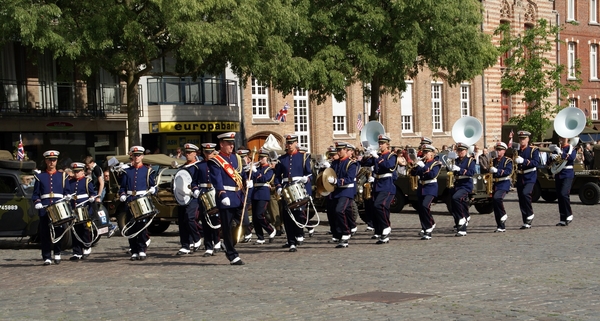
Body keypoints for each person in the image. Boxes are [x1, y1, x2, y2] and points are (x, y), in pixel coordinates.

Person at [208, 132, 247, 265]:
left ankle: (228, 243)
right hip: (226, 197)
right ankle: (232, 254)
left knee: (245, 223)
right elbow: (216, 178)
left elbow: (241, 174)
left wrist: (248, 182)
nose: (231, 146)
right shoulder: (215, 161)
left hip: (238, 196)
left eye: (232, 143)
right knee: (227, 226)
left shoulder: (237, 157)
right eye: (229, 143)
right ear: (222, 144)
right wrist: (222, 193)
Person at [32, 150, 72, 265]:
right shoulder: (40, 176)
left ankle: (57, 253)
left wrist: (68, 196)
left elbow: (67, 191)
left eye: (53, 160)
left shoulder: (62, 176)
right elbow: (35, 194)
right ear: (45, 161)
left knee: (59, 231)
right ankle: (47, 256)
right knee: (45, 233)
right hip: (45, 207)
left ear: (56, 161)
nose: (51, 162)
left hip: (58, 207)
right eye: (49, 160)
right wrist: (37, 202)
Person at [118, 146, 157, 261]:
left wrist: (153, 189)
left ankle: (141, 249)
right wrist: (122, 195)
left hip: (142, 200)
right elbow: (122, 188)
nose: (137, 157)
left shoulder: (148, 170)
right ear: (132, 156)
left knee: (142, 227)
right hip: (130, 200)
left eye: (139, 155)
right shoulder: (127, 171)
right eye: (135, 155)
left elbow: (153, 186)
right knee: (131, 226)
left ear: (142, 156)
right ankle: (134, 250)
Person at [275, 134, 312, 252]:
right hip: (286, 188)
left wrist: (306, 179)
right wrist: (278, 187)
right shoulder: (282, 159)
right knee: (287, 216)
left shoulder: (304, 157)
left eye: (291, 143)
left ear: (296, 143)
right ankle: (291, 242)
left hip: (299, 187)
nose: (289, 145)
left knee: (298, 215)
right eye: (288, 143)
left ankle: (298, 235)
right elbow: (277, 176)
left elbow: (309, 173)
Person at [361, 134, 397, 244]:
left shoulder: (392, 156)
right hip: (377, 184)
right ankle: (382, 233)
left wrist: (377, 157)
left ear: (387, 145)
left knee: (379, 205)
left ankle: (386, 226)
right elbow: (364, 163)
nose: (380, 145)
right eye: (379, 143)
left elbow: (389, 166)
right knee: (377, 208)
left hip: (387, 185)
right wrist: (367, 154)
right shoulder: (378, 155)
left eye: (382, 143)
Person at [328, 142, 358, 248]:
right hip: (336, 191)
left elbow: (349, 179)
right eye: (338, 150)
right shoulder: (335, 163)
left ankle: (346, 232)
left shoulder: (351, 164)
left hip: (346, 191)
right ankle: (339, 234)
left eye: (341, 150)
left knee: (340, 210)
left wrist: (337, 181)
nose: (339, 152)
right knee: (334, 212)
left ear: (345, 150)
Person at [175, 143, 203, 255]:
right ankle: (185, 245)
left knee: (190, 218)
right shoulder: (182, 167)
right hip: (183, 197)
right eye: (186, 153)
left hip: (194, 197)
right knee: (182, 221)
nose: (187, 155)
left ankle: (197, 237)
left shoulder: (199, 167)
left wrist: (197, 190)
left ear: (195, 153)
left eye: (190, 153)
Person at [196, 143, 223, 257]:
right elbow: (194, 181)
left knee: (216, 220)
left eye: (211, 152)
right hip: (204, 194)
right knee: (205, 220)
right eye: (207, 152)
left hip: (215, 193)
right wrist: (195, 189)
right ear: (203, 153)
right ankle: (208, 246)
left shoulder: (219, 164)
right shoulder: (199, 165)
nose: (209, 154)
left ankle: (217, 241)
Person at [68, 162, 99, 260]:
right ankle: (77, 252)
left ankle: (86, 246)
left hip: (84, 208)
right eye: (75, 171)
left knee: (84, 229)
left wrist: (92, 198)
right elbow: (67, 192)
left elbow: (92, 193)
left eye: (78, 171)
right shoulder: (70, 182)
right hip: (74, 207)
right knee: (74, 230)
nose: (76, 173)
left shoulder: (87, 181)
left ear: (82, 172)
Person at [411, 144, 441, 240]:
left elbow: (432, 174)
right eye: (424, 152)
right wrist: (415, 165)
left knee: (425, 205)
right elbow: (413, 173)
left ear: (432, 153)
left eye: (427, 152)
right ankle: (426, 227)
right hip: (422, 187)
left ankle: (428, 228)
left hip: (431, 187)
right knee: (420, 208)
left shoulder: (436, 163)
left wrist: (423, 167)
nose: (425, 154)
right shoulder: (422, 162)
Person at [448, 142, 476, 236]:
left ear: (466, 151)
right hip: (456, 184)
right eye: (459, 150)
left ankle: (462, 223)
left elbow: (471, 172)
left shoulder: (470, 161)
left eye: (462, 150)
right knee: (456, 204)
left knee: (456, 198)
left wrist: (459, 169)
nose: (460, 152)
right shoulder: (455, 160)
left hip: (465, 185)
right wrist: (449, 166)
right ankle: (463, 220)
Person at [250, 148, 277, 244]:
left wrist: (255, 172)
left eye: (263, 157)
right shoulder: (257, 168)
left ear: (267, 158)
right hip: (255, 193)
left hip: (263, 193)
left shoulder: (269, 169)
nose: (261, 159)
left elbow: (264, 178)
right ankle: (260, 237)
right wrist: (250, 171)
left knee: (259, 215)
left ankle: (270, 230)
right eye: (260, 157)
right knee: (254, 217)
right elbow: (252, 178)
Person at [514, 131, 540, 229]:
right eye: (520, 138)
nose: (522, 140)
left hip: (530, 176)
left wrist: (524, 161)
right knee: (521, 198)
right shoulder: (517, 151)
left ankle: (530, 213)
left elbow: (536, 162)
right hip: (520, 177)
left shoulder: (533, 150)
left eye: (524, 138)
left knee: (526, 193)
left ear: (528, 139)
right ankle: (526, 221)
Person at [550, 137, 577, 226]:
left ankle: (569, 214)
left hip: (567, 173)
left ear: (567, 138)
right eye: (560, 137)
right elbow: (549, 163)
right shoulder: (557, 149)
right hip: (558, 173)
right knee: (559, 196)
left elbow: (571, 157)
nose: (562, 139)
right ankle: (562, 218)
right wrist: (552, 157)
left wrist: (560, 153)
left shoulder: (571, 148)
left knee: (564, 193)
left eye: (563, 137)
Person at [489, 142, 513, 232]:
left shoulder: (508, 160)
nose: (498, 152)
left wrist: (497, 170)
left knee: (497, 198)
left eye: (500, 150)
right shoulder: (493, 161)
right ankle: (500, 226)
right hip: (495, 184)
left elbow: (508, 171)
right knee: (495, 204)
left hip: (503, 183)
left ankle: (503, 214)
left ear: (504, 151)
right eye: (497, 150)